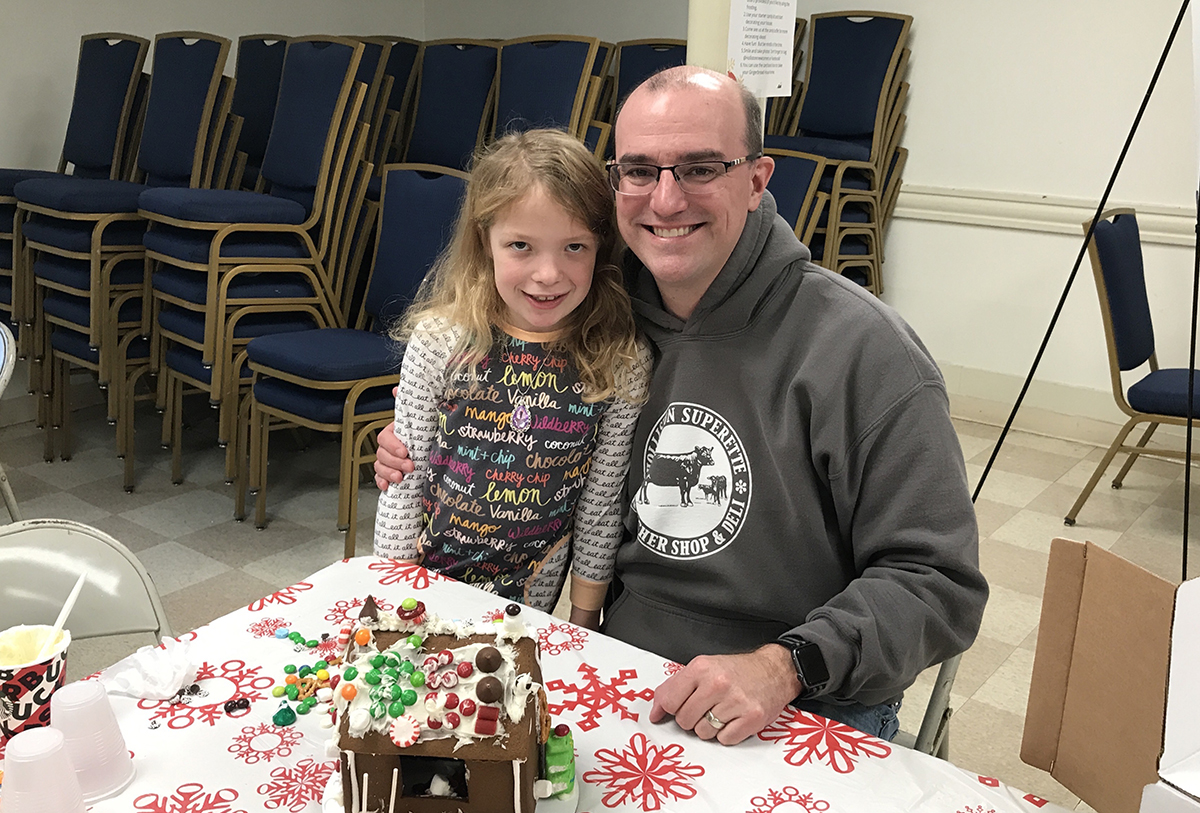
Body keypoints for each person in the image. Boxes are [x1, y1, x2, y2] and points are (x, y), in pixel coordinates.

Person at [375, 68, 988, 746]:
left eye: (699, 167)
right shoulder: (595, 318)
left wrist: (784, 665)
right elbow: (500, 398)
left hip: (805, 695)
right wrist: (426, 436)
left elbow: (939, 583)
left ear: (757, 179)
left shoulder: (866, 352)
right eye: (639, 170)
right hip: (621, 658)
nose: (665, 199)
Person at [374, 129, 652, 630]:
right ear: (486, 240)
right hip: (421, 588)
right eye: (521, 245)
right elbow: (402, 480)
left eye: (574, 247)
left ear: (600, 247)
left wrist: (585, 618)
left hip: (529, 606)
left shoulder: (619, 359)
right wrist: (393, 595)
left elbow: (600, 503)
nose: (548, 274)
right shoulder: (440, 340)